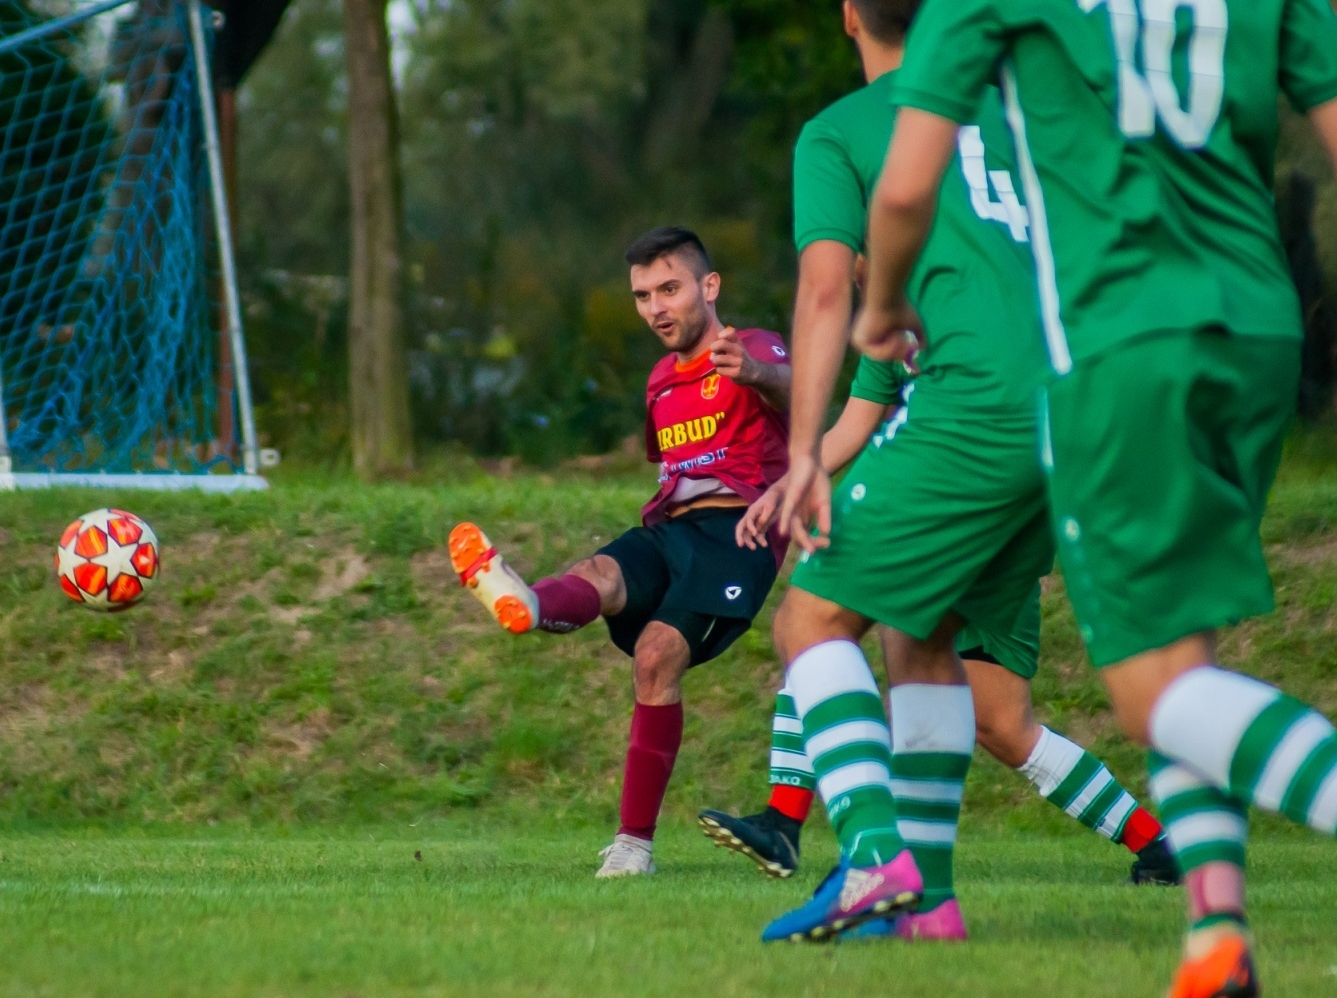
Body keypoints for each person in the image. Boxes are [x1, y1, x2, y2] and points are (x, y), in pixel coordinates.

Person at [855, 0, 1337, 998]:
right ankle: (1214, 943)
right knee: (1181, 654)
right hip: (1256, 333)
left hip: (1120, 348)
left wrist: (883, 302)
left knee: (1154, 695)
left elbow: (907, 182)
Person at [731, 0, 1140, 943]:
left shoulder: (842, 132)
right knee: (920, 637)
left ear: (847, 16)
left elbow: (828, 289)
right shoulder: (1019, 102)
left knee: (809, 619)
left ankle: (876, 860)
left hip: (981, 404)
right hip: (1087, 405)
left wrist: (800, 454)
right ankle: (934, 906)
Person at [700, 348, 1176, 891]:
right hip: (978, 518)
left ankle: (809, 833)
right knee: (1003, 725)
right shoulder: (889, 328)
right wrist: (788, 483)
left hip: (971, 512)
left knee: (816, 615)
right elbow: (858, 419)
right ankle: (1159, 846)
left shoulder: (977, 298)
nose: (861, 268)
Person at [449, 226, 792, 878]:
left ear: (708, 287)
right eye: (642, 295)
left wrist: (760, 375)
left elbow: (802, 389)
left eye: (669, 288)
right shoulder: (661, 380)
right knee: (597, 572)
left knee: (656, 657)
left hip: (739, 533)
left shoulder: (749, 347)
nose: (656, 307)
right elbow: (671, 468)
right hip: (671, 527)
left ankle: (633, 848)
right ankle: (525, 602)